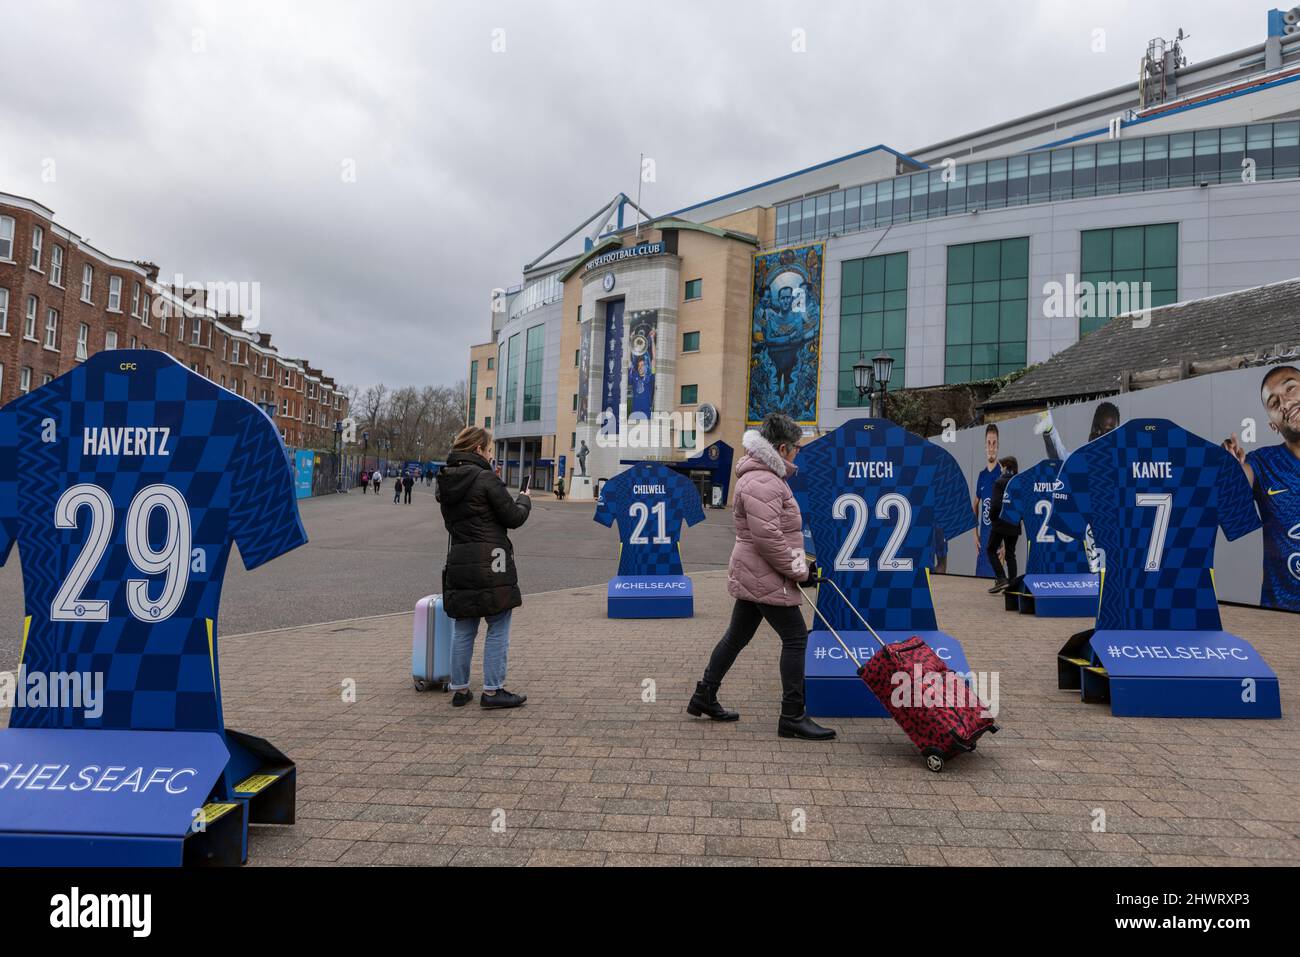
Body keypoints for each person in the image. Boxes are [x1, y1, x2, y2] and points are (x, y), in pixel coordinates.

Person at [687, 412, 835, 741]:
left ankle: (705, 695)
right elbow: (768, 537)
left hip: (756, 570)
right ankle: (792, 716)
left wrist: (799, 566)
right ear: (782, 449)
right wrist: (798, 569)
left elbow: (771, 535)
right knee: (796, 637)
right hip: (763, 573)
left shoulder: (762, 476)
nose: (798, 452)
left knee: (736, 637)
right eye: (796, 447)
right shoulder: (765, 481)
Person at [436, 426, 532, 709]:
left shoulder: (446, 480)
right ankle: (492, 691)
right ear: (478, 449)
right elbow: (513, 517)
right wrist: (525, 499)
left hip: (460, 558)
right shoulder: (486, 479)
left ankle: (460, 689)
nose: (491, 456)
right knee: (498, 623)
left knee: (464, 626)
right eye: (490, 450)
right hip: (493, 560)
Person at [1224, 365, 1300, 611]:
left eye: (1291, 388)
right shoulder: (1263, 464)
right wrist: (1230, 471)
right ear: (1273, 426)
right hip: (1282, 618)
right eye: (1274, 403)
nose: (1286, 402)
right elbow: (1237, 485)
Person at [986, 456, 1020, 593]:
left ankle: (1001, 579)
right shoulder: (1019, 482)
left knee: (990, 550)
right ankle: (1012, 586)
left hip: (1000, 523)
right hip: (1014, 523)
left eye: (1001, 466)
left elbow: (994, 505)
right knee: (1010, 554)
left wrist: (992, 518)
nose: (1000, 469)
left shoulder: (999, 482)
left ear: (1006, 467)